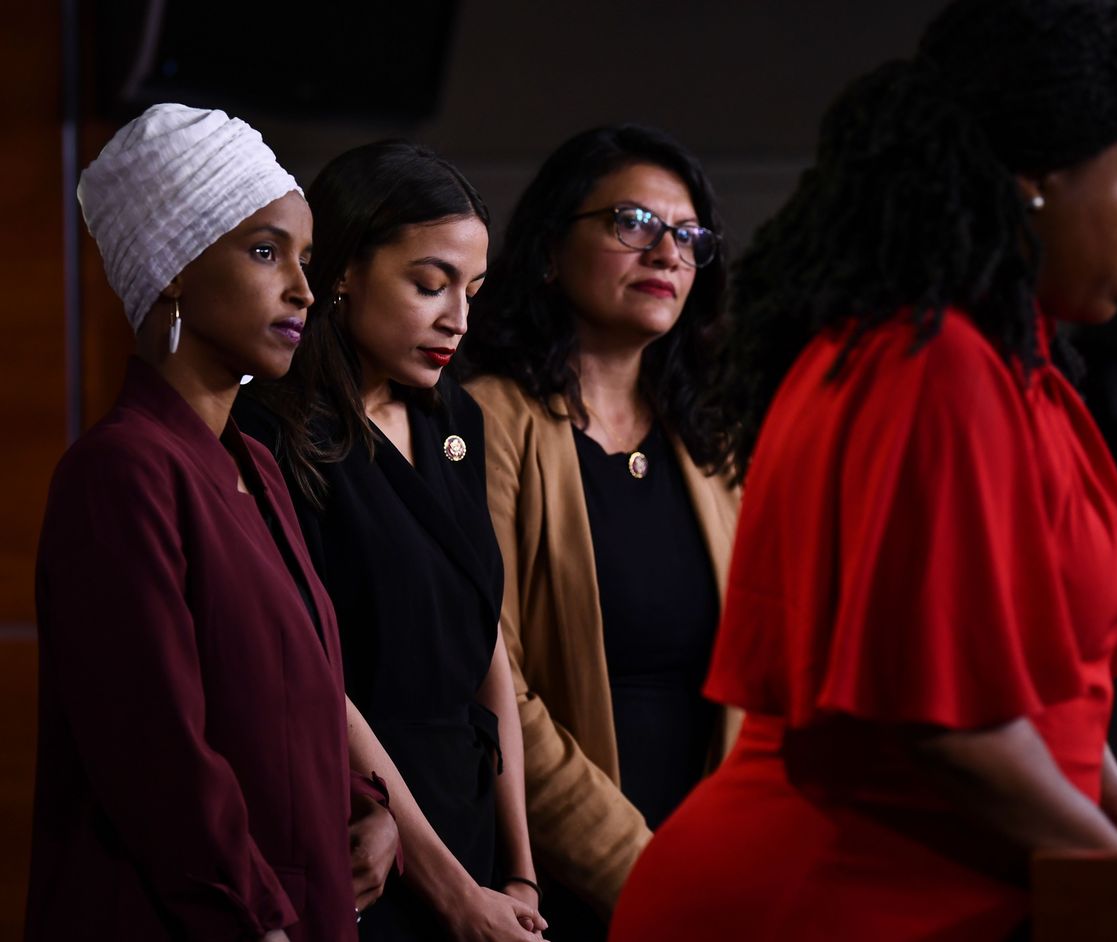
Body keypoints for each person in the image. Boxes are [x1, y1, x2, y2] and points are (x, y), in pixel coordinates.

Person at [609, 2, 1117, 939]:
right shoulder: (931, 366)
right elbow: (947, 729)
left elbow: (1063, 698)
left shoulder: (1011, 366)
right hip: (823, 899)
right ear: (1037, 173)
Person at [26, 103, 396, 942]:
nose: (304, 288)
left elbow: (298, 692)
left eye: (305, 258)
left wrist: (368, 808)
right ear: (174, 269)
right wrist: (262, 918)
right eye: (267, 252)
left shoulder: (254, 465)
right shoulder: (119, 474)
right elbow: (156, 758)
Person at [236, 140, 545, 942]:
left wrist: (518, 869)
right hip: (367, 833)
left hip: (472, 822)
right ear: (341, 271)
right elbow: (314, 675)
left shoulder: (458, 420)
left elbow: (490, 656)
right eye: (429, 284)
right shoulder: (271, 430)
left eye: (472, 291)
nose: (458, 320)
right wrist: (451, 891)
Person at [459, 125, 740, 939]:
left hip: (715, 871)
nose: (667, 253)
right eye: (632, 223)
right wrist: (639, 873)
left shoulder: (713, 447)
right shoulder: (487, 420)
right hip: (559, 882)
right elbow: (494, 683)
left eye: (688, 236)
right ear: (550, 250)